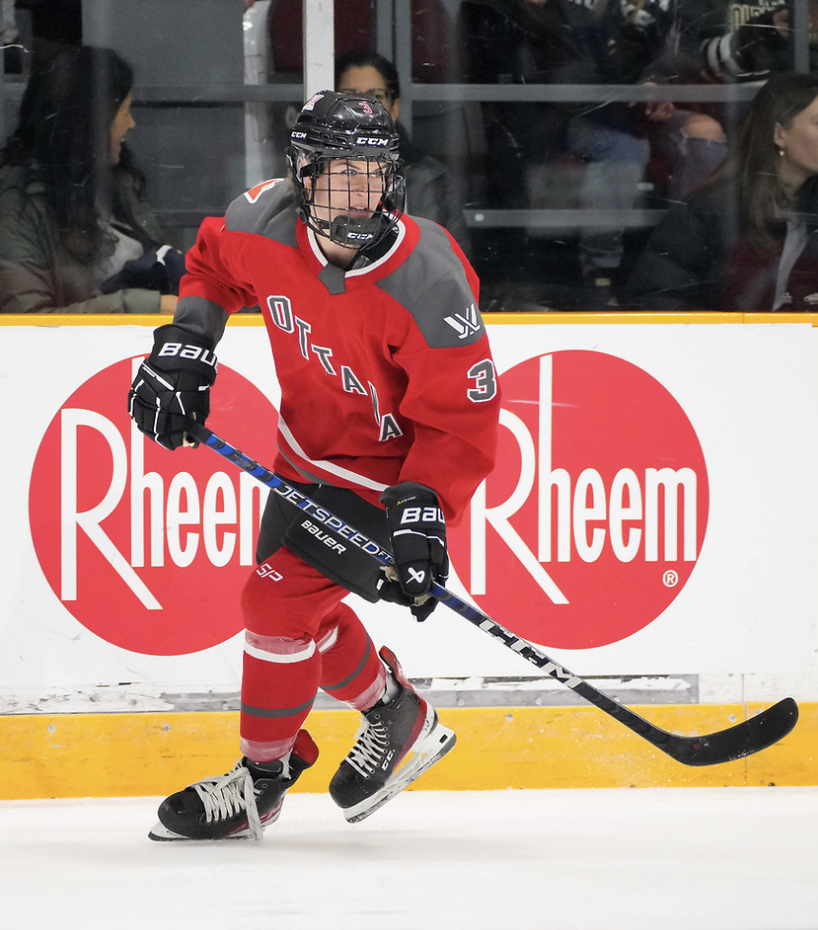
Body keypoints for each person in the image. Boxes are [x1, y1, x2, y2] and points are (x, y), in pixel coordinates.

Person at [128, 90, 500, 840]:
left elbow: (459, 417)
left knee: (274, 606)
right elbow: (210, 266)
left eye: (374, 174)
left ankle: (261, 780)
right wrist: (189, 344)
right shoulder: (260, 222)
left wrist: (425, 503)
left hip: (389, 475)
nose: (359, 192)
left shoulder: (427, 276)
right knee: (307, 616)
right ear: (303, 174)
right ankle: (397, 713)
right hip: (304, 455)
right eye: (340, 174)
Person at [457, 0, 727, 308]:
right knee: (625, 148)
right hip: (573, 121)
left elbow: (666, 57)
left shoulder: (614, 11)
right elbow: (568, 83)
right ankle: (600, 266)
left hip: (632, 111)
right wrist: (637, 102)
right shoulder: (528, 13)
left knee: (704, 131)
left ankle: (696, 257)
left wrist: (656, 86)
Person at [0, 45, 183, 314]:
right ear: (93, 121)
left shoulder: (119, 184)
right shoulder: (17, 204)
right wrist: (143, 306)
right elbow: (28, 322)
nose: (131, 124)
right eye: (125, 111)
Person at [626, 71, 818, 311]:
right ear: (779, 134)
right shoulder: (712, 207)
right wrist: (719, 337)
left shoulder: (809, 209)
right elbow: (655, 298)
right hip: (721, 344)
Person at [335, 48, 471, 253]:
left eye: (375, 96)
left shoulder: (432, 179)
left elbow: (456, 269)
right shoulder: (306, 174)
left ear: (394, 108)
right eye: (348, 97)